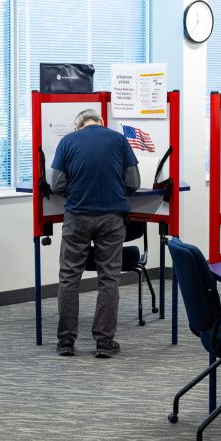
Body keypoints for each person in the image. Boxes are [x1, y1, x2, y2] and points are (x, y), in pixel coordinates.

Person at [50, 108, 140, 358]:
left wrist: (78, 192)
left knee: (69, 277)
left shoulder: (67, 141)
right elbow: (133, 181)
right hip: (112, 218)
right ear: (101, 122)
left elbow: (56, 184)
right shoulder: (119, 140)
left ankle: (66, 342)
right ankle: (104, 342)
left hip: (77, 216)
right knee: (108, 278)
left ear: (78, 126)